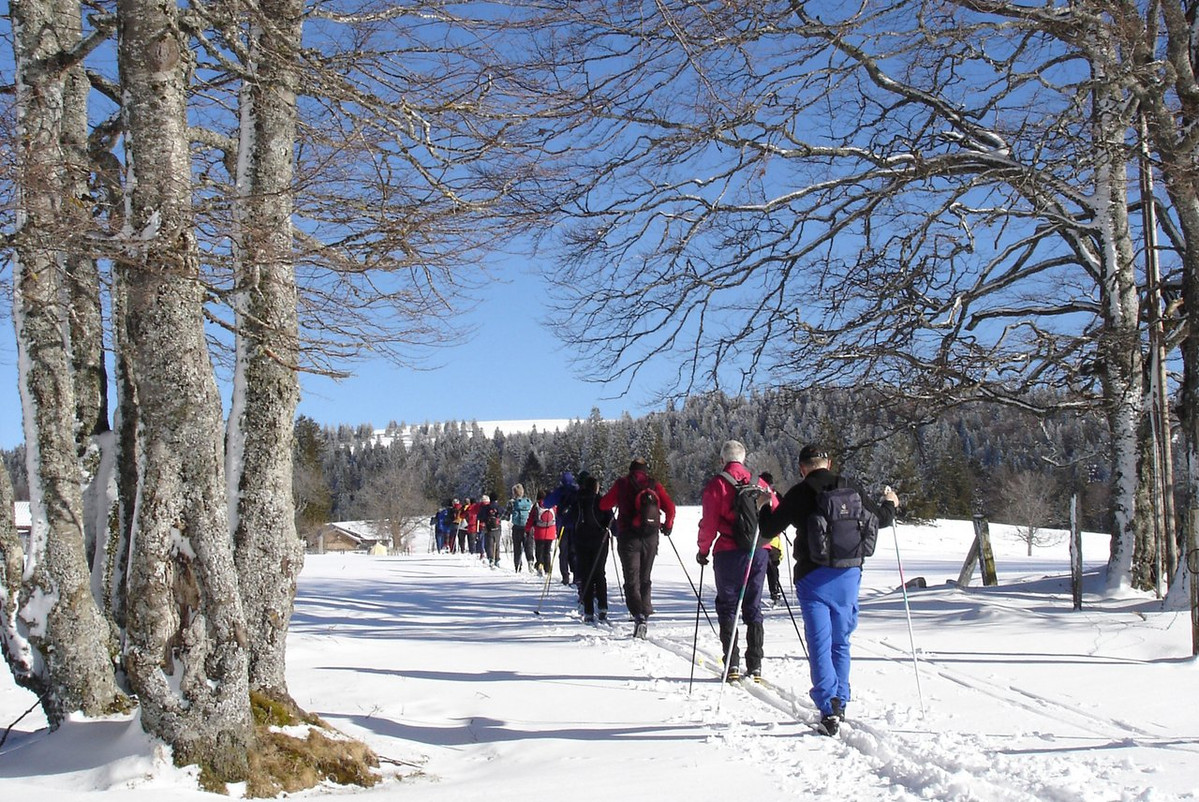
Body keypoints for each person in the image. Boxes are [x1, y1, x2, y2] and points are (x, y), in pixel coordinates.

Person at [759, 444, 898, 736]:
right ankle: (841, 700)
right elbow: (881, 520)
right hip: (849, 574)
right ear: (829, 463)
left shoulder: (800, 493)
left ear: (802, 467)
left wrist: (763, 505)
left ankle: (828, 706)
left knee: (820, 642)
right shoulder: (851, 488)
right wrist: (890, 503)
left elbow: (770, 529)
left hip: (813, 577)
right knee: (841, 641)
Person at [696, 440, 772, 681]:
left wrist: (703, 550)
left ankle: (732, 664)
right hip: (758, 551)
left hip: (728, 550)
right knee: (753, 605)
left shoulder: (717, 485)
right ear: (744, 458)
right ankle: (756, 664)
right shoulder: (759, 484)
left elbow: (708, 524)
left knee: (728, 606)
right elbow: (775, 514)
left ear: (723, 460)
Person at [600, 457, 676, 639]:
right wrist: (668, 525)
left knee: (631, 578)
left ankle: (638, 615)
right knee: (645, 576)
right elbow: (670, 507)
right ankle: (645, 612)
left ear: (630, 469)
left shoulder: (622, 483)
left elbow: (603, 504)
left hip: (628, 537)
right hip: (651, 536)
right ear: (645, 470)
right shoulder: (654, 485)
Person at [572, 473, 614, 623]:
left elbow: (570, 519)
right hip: (599, 541)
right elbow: (610, 519)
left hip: (580, 541)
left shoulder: (576, 500)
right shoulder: (600, 500)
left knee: (585, 575)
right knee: (599, 573)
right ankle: (602, 607)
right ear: (595, 487)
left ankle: (588, 610)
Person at [543, 471, 580, 586]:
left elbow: (546, 504)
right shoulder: (576, 490)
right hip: (575, 525)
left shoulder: (560, 491)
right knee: (574, 551)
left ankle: (565, 576)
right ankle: (577, 576)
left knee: (563, 552)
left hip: (562, 524)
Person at [759, 472, 784, 606]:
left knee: (765, 566)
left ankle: (772, 592)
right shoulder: (777, 495)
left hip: (764, 538)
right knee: (772, 567)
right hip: (774, 538)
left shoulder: (758, 495)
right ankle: (775, 592)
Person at [526, 489, 558, 576]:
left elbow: (531, 519)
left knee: (539, 550)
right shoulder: (553, 506)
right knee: (547, 551)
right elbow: (557, 517)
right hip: (550, 532)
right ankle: (548, 569)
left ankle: (540, 564)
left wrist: (528, 529)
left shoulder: (536, 506)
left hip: (539, 532)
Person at [507, 484, 534, 572]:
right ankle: (530, 561)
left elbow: (505, 514)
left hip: (517, 527)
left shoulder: (512, 502)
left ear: (514, 493)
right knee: (528, 546)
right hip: (528, 527)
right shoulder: (528, 501)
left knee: (517, 547)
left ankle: (517, 565)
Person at [479, 494, 503, 567]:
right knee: (497, 543)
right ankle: (497, 559)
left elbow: (480, 517)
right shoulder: (499, 507)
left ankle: (491, 559)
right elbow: (504, 514)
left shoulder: (486, 507)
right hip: (497, 527)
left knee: (489, 544)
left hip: (488, 527)